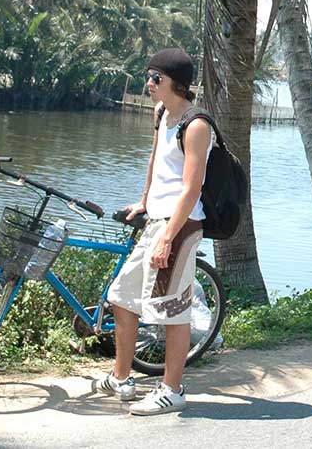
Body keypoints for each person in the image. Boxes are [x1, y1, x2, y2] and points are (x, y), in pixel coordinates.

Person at [101, 48, 211, 415]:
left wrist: (167, 236)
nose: (148, 84)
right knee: (122, 296)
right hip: (157, 220)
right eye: (148, 77)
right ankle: (121, 378)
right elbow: (155, 162)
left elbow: (191, 188)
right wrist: (144, 202)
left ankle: (172, 389)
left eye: (155, 79)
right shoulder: (162, 112)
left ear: (176, 84)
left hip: (180, 225)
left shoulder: (196, 125)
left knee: (172, 309)